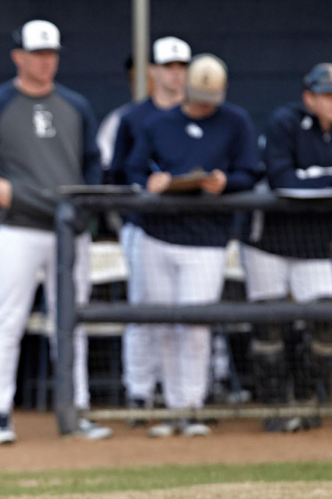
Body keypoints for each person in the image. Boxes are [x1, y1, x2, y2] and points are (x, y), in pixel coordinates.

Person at [0, 20, 110, 445]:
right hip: (18, 227)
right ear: (18, 56)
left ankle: (76, 409)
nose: (45, 62)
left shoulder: (75, 104)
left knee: (70, 322)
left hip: (68, 228)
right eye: (37, 55)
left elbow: (93, 161)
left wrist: (86, 206)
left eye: (51, 54)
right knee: (8, 320)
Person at [126, 54, 260, 438]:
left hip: (207, 237)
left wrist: (225, 182)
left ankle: (192, 405)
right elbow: (133, 169)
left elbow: (250, 172)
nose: (204, 105)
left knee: (196, 325)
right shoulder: (158, 123)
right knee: (165, 323)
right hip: (159, 234)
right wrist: (153, 181)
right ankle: (173, 407)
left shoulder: (235, 122)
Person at [240, 62, 332, 433]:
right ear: (308, 98)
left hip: (318, 242)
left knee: (325, 323)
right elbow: (282, 181)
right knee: (269, 325)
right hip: (270, 241)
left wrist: (312, 177)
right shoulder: (284, 122)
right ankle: (276, 405)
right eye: (326, 95)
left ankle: (307, 396)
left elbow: (302, 180)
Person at [110, 37, 191, 419]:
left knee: (189, 316)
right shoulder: (133, 118)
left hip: (193, 231)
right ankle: (140, 390)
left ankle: (188, 395)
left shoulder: (202, 114)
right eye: (168, 67)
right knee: (144, 309)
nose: (175, 74)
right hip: (142, 228)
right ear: (153, 71)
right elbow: (118, 174)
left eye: (181, 66)